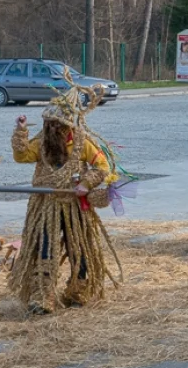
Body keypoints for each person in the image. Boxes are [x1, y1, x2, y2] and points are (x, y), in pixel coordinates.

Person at [7, 76, 120, 315]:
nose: (51, 128)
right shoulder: (42, 142)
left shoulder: (82, 143)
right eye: (48, 123)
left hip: (74, 208)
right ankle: (43, 297)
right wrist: (21, 130)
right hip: (46, 207)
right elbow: (22, 156)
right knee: (45, 250)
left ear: (67, 126)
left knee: (79, 249)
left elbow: (102, 167)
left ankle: (78, 292)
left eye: (56, 124)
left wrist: (87, 184)